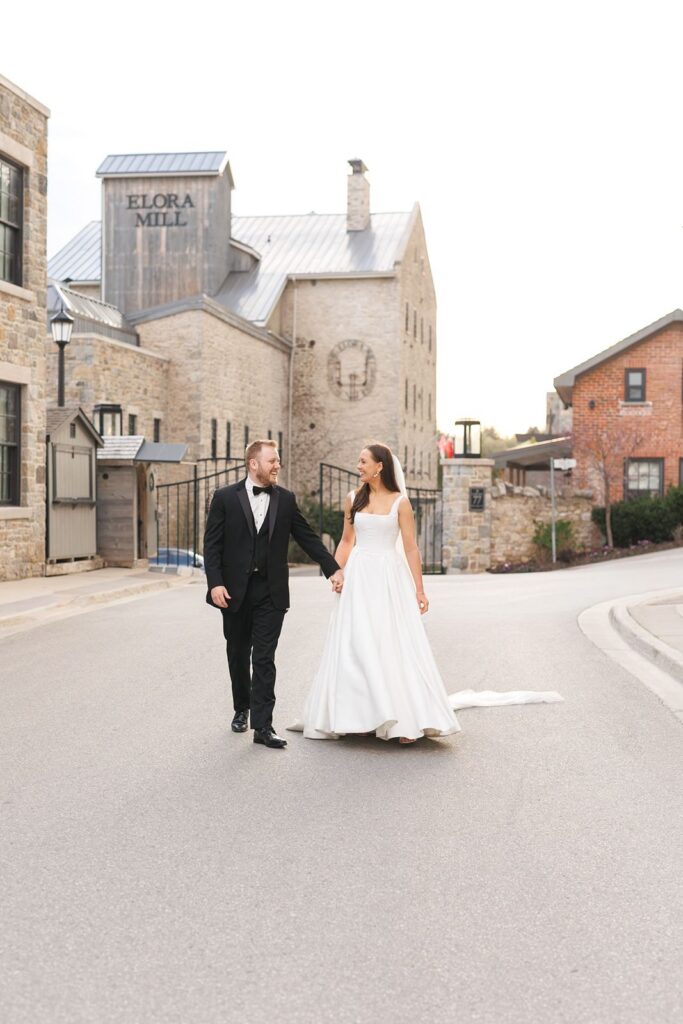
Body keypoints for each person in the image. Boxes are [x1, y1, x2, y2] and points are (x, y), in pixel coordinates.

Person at [290, 442, 563, 743]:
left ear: (380, 466)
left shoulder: (400, 503)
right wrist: (336, 571)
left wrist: (419, 589)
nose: (359, 466)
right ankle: (359, 715)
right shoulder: (352, 499)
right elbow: (345, 541)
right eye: (359, 461)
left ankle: (404, 718)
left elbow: (410, 547)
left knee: (389, 642)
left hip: (389, 579)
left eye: (363, 461)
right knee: (355, 643)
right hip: (358, 578)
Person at [204, 439, 344, 749]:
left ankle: (263, 727)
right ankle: (242, 707)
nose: (277, 465)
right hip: (234, 592)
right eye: (272, 460)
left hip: (271, 591)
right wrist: (215, 583)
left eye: (278, 460)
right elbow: (211, 545)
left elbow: (308, 538)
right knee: (238, 652)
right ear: (254, 464)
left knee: (264, 657)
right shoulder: (225, 498)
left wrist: (332, 568)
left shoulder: (286, 500)